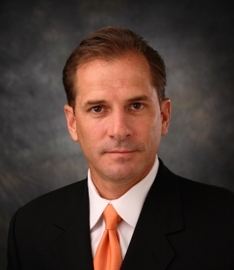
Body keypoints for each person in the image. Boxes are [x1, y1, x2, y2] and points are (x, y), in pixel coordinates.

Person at [7, 26, 234, 270]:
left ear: (164, 116)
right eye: (97, 109)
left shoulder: (226, 223)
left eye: (136, 105)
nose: (118, 129)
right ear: (72, 123)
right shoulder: (28, 228)